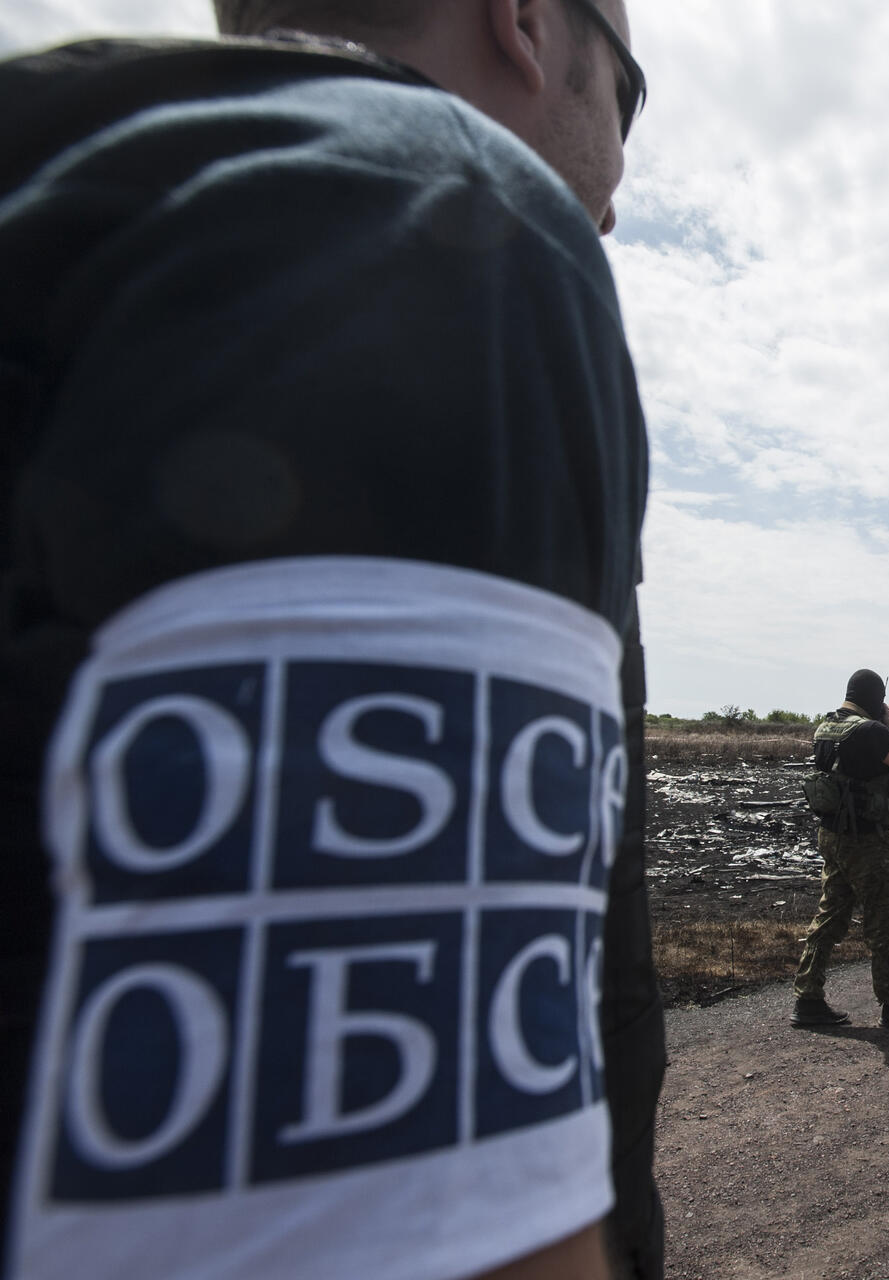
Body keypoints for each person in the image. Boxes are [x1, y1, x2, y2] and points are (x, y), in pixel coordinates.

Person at [0, 2, 664, 1277]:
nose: (620, 197)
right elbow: (391, 1213)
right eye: (628, 99)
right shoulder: (430, 218)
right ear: (525, 22)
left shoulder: (75, 175)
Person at [791, 670, 889, 1029]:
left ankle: (808, 998)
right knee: (885, 919)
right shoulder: (871, 731)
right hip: (867, 840)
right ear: (876, 697)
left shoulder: (825, 728)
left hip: (832, 836)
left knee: (831, 914)